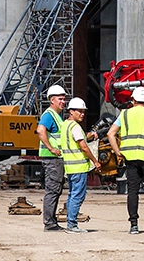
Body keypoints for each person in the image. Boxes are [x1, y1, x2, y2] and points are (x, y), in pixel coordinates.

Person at [107, 86, 144, 234]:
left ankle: (133, 225)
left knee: (132, 191)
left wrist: (118, 152)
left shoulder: (125, 114)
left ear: (133, 100)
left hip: (131, 158)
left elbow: (110, 133)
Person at [60, 97, 101, 234]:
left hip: (70, 167)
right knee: (78, 196)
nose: (82, 114)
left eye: (83, 112)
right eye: (79, 111)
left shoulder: (65, 125)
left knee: (72, 195)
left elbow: (77, 139)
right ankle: (72, 224)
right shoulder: (75, 127)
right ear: (71, 111)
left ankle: (70, 223)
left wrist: (89, 135)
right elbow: (83, 146)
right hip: (79, 167)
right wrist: (95, 161)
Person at [37, 85, 68, 232]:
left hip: (55, 158)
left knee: (55, 189)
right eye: (60, 99)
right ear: (52, 100)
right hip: (52, 158)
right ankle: (49, 223)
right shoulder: (49, 115)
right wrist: (51, 148)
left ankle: (51, 221)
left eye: (64, 99)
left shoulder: (57, 116)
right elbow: (40, 130)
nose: (63, 102)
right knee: (53, 190)